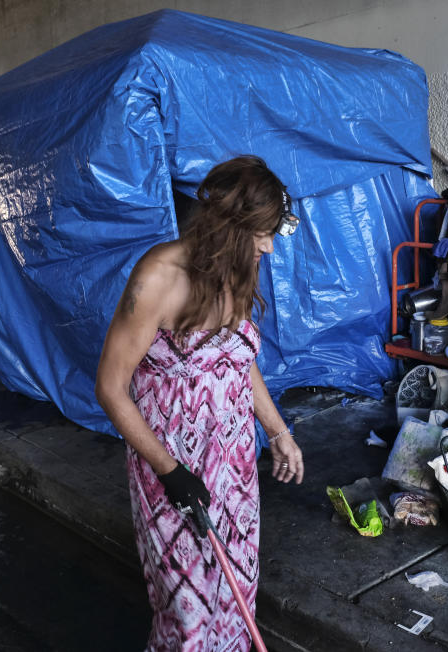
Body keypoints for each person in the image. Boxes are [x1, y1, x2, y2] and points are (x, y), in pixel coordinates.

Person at [95, 155, 304, 651]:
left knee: (237, 595)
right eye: (263, 234)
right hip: (174, 470)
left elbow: (237, 358)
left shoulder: (236, 271)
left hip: (233, 468)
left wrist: (277, 431)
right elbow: (109, 387)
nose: (270, 247)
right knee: (188, 611)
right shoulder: (158, 277)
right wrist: (170, 472)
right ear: (231, 227)